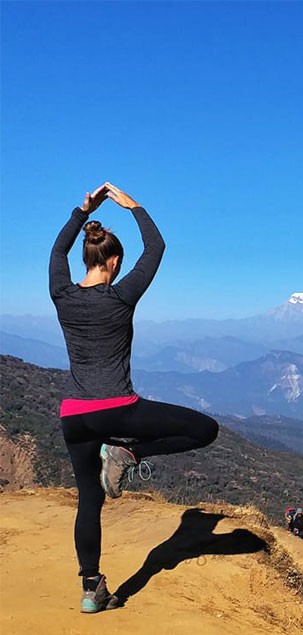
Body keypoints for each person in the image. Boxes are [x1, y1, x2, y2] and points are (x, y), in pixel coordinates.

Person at [51, 183, 219, 613]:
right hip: (119, 409)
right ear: (114, 261)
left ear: (86, 259)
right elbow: (157, 247)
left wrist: (81, 211)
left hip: (74, 415)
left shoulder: (61, 294)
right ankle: (129, 451)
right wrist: (134, 207)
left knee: (89, 498)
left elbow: (56, 254)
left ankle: (92, 589)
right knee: (205, 429)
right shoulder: (122, 297)